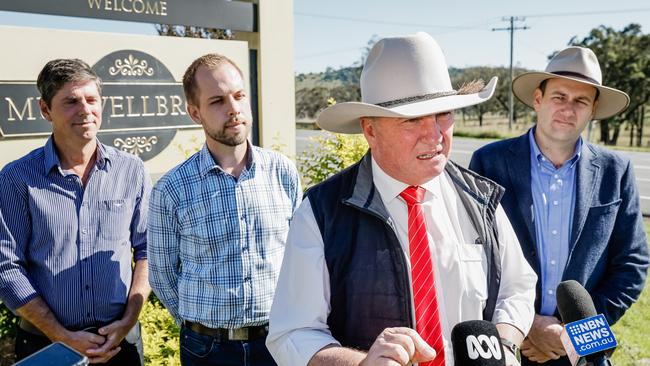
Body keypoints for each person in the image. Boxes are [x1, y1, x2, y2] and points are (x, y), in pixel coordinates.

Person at [266, 32, 536, 366]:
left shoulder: (479, 200)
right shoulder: (322, 213)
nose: (435, 135)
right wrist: (362, 364)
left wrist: (504, 346)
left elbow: (517, 286)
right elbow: (292, 333)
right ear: (370, 129)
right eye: (412, 120)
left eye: (444, 115)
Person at [469, 46, 649, 365]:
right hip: (509, 345)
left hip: (580, 355)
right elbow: (472, 256)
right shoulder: (488, 162)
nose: (568, 109)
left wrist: (576, 335)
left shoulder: (615, 171)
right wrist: (524, 325)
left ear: (593, 109)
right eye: (559, 96)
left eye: (581, 101)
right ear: (538, 100)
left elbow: (632, 263)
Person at [147, 53, 301, 366]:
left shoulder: (283, 172)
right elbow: (162, 276)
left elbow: (301, 256)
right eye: (217, 101)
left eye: (239, 96)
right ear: (195, 113)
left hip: (279, 342)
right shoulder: (171, 189)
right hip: (207, 350)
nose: (233, 109)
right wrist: (201, 324)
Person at [0, 59, 151, 364]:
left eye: (91, 99)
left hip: (120, 344)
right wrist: (62, 336)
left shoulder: (131, 170)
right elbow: (7, 267)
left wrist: (128, 322)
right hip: (47, 346)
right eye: (70, 101)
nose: (85, 109)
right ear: (45, 110)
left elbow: (148, 251)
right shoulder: (17, 178)